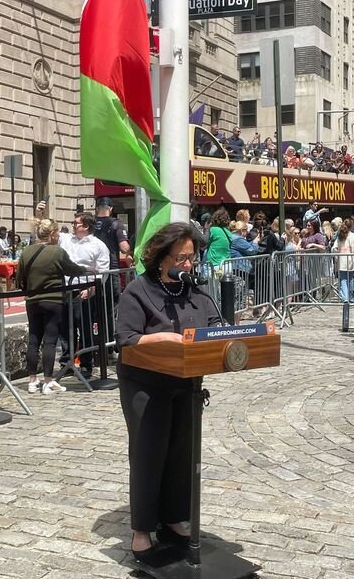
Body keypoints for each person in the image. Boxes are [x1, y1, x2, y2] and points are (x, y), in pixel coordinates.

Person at [115, 222, 221, 560]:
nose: (188, 264)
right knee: (149, 453)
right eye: (180, 258)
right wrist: (165, 338)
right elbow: (126, 339)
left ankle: (174, 518)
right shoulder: (138, 291)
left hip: (186, 383)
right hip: (145, 384)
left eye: (192, 258)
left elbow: (214, 326)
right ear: (161, 257)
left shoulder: (196, 292)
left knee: (181, 454)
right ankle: (142, 530)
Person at [16, 217, 89, 394]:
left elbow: (19, 280)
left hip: (32, 300)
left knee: (34, 339)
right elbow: (72, 269)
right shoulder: (57, 252)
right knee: (50, 341)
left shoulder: (26, 252)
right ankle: (48, 381)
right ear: (53, 234)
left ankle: (32, 380)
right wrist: (86, 270)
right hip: (53, 299)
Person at [58, 212, 110, 378]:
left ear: (86, 226)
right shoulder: (66, 239)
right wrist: (40, 213)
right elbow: (47, 230)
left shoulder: (98, 246)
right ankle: (67, 363)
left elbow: (102, 272)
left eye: (76, 223)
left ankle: (86, 364)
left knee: (85, 327)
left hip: (83, 291)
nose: (73, 226)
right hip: (65, 289)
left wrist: (91, 290)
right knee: (65, 328)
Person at [95, 197, 132, 355]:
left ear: (97, 208)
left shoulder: (90, 224)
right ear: (110, 209)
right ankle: (111, 346)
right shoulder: (116, 224)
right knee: (112, 309)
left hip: (94, 272)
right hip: (111, 270)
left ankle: (96, 345)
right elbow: (124, 248)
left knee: (95, 309)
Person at [332, 219, 354, 302]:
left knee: (343, 280)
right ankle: (350, 297)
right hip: (351, 261)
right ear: (351, 227)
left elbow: (334, 248)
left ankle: (345, 297)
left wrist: (337, 253)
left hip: (342, 261)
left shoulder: (339, 236)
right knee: (351, 280)